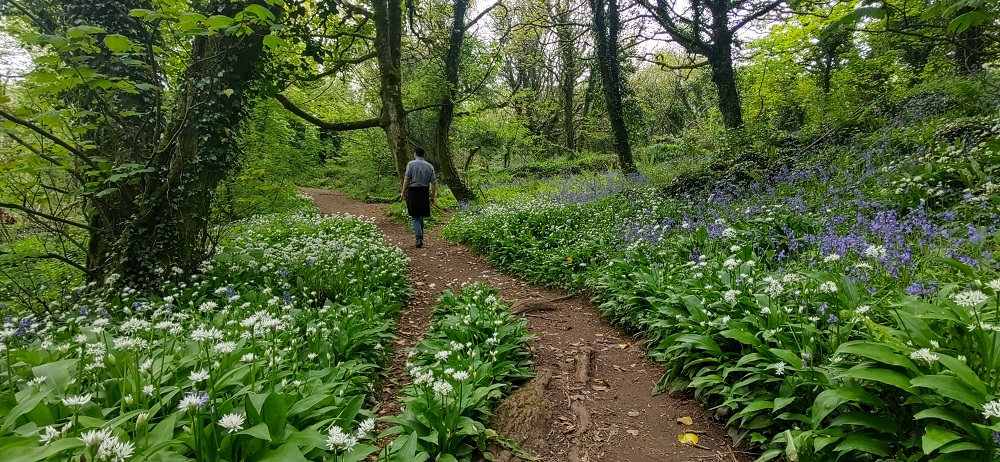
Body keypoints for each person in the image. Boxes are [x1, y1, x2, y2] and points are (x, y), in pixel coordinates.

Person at [400, 146, 436, 248]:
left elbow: (407, 179)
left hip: (414, 191)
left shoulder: (411, 164)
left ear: (415, 153)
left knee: (415, 216)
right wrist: (432, 196)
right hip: (424, 191)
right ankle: (421, 237)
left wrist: (403, 191)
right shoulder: (430, 166)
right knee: (420, 215)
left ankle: (418, 237)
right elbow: (433, 183)